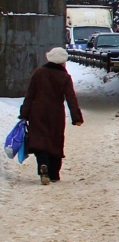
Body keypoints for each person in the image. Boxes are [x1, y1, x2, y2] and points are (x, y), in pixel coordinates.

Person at [18, 47, 84, 185]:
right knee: (55, 141)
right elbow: (71, 98)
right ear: (62, 63)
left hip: (37, 112)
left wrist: (24, 113)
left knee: (40, 141)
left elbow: (29, 95)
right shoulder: (65, 77)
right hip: (56, 114)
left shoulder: (39, 73)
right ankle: (54, 174)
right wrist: (76, 117)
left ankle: (43, 166)